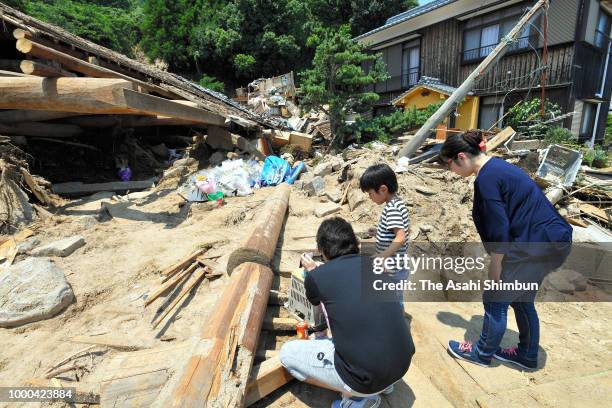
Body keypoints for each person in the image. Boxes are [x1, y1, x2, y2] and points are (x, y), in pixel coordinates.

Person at [440, 130, 572, 370]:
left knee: (495, 299)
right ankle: (527, 355)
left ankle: (481, 354)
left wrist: (496, 265)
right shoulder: (498, 168)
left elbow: (499, 225)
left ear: (461, 156)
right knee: (522, 299)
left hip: (536, 244)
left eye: (449, 165)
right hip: (551, 241)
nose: (451, 171)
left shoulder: (487, 178)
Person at [280, 217, 415, 408]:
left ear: (323, 251)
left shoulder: (317, 276)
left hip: (364, 378)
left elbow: (316, 302)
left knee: (287, 354)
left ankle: (356, 399)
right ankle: (384, 385)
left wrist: (313, 272)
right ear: (355, 244)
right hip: (402, 364)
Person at [359, 164, 410, 276]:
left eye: (370, 193)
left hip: (392, 270)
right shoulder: (398, 203)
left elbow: (401, 237)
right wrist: (379, 232)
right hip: (397, 266)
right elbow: (403, 231)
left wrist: (383, 256)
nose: (370, 197)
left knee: (390, 292)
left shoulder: (392, 209)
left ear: (383, 189)